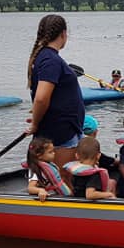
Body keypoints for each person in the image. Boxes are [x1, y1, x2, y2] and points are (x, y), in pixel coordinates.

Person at [26, 14, 85, 170]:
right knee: (63, 179)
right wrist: (35, 124)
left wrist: (37, 113)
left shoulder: (45, 57)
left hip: (64, 128)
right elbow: (41, 98)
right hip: (60, 133)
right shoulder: (50, 60)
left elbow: (47, 95)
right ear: (63, 34)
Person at [63, 136, 116, 200]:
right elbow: (90, 195)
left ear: (77, 156)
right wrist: (109, 194)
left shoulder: (76, 170)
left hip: (77, 198)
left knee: (112, 182)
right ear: (98, 156)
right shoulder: (95, 174)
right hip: (88, 203)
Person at [26, 137, 72, 201]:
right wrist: (40, 191)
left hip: (55, 195)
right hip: (47, 198)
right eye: (50, 152)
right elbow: (30, 188)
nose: (54, 153)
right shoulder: (37, 170)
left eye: (53, 151)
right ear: (39, 155)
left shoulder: (48, 164)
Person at [82, 115, 120, 191]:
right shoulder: (94, 150)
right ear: (95, 132)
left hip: (84, 177)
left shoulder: (78, 146)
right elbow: (106, 160)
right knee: (116, 171)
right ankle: (112, 193)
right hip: (94, 178)